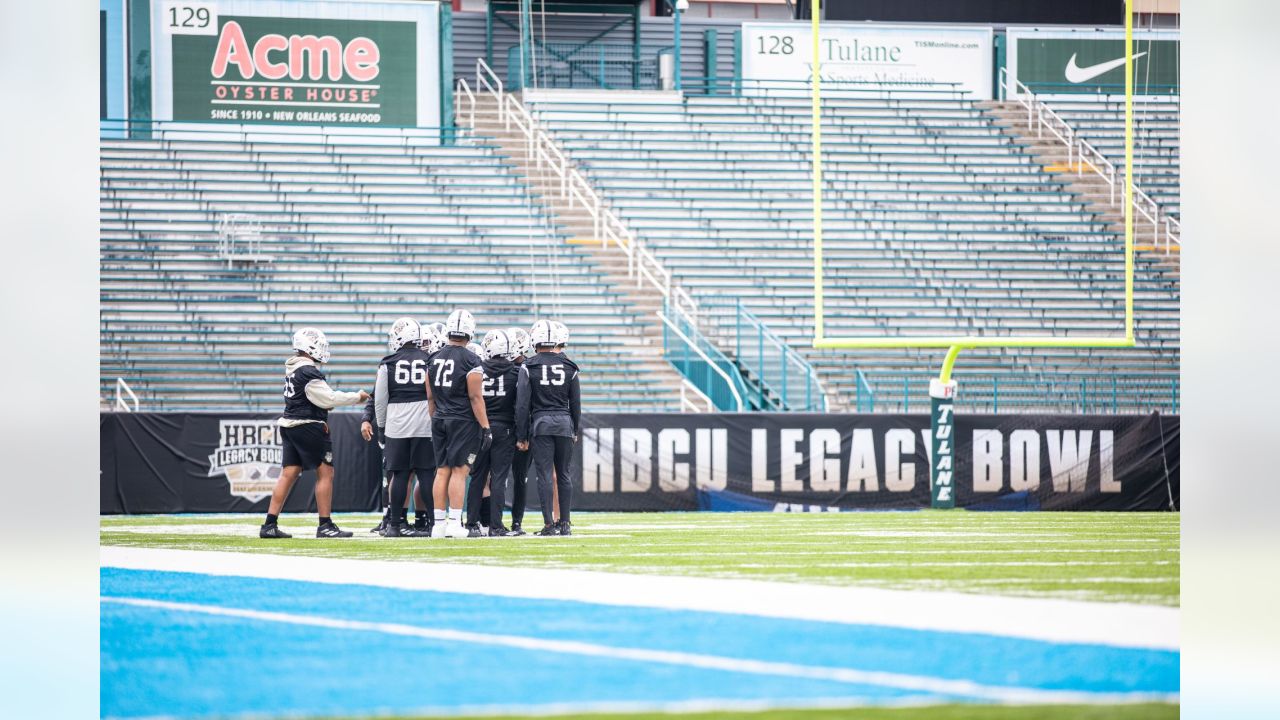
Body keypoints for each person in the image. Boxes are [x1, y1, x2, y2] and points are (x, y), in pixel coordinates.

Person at [261, 327, 369, 539]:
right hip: (308, 426)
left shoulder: (292, 369)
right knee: (325, 472)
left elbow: (311, 398)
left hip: (289, 424)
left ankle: (269, 524)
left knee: (288, 474)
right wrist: (358, 396)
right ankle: (325, 525)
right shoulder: (308, 371)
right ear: (309, 347)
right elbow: (328, 398)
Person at [426, 310, 491, 539]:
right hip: (462, 420)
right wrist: (485, 427)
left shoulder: (433, 358)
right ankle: (454, 523)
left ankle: (438, 525)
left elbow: (431, 397)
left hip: (440, 418)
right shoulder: (471, 359)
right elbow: (475, 397)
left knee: (441, 470)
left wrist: (435, 418)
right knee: (459, 472)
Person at [465, 330, 530, 536]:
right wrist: (522, 435)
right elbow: (520, 406)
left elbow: (470, 400)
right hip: (505, 429)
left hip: (480, 429)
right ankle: (495, 525)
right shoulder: (516, 372)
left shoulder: (477, 369)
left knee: (477, 477)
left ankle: (472, 524)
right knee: (499, 479)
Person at [375, 317, 435, 538]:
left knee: (399, 475)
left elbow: (380, 399)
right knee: (426, 473)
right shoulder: (430, 359)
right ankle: (433, 522)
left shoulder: (387, 362)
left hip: (397, 421)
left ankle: (394, 524)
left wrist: (381, 427)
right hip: (424, 419)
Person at [521, 319, 581, 537]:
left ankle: (549, 524)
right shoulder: (570, 367)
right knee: (563, 474)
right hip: (565, 424)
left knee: (545, 475)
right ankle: (565, 523)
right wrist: (574, 429)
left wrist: (522, 434)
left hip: (541, 424)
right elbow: (575, 404)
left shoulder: (528, 366)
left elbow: (522, 405)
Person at [505, 327, 533, 535]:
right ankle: (514, 523)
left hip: (503, 428)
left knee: (496, 477)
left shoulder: (494, 367)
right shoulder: (530, 368)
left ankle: (489, 521)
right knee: (517, 478)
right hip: (516, 429)